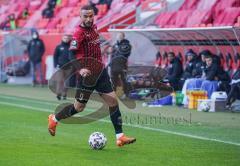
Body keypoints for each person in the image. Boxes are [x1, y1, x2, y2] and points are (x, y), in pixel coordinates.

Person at [48, 5, 136, 147]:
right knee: (78, 108)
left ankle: (120, 137)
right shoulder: (78, 33)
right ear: (81, 17)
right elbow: (71, 53)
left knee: (113, 102)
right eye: (86, 16)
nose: (89, 18)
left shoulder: (94, 28)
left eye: (91, 16)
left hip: (100, 73)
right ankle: (55, 119)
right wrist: (81, 69)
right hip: (87, 77)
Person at [110, 32, 132, 99]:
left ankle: (125, 94)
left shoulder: (127, 44)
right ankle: (113, 93)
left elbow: (124, 54)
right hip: (114, 65)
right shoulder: (115, 44)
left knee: (124, 80)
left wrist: (117, 48)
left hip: (122, 65)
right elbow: (112, 54)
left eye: (120, 36)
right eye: (118, 35)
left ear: (123, 37)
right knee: (113, 80)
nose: (118, 37)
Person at [53, 34, 72, 100]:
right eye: (65, 38)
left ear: (69, 39)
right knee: (59, 81)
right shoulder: (58, 47)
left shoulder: (71, 47)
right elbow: (55, 56)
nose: (66, 39)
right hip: (60, 67)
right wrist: (55, 65)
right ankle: (58, 94)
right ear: (62, 38)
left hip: (69, 67)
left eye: (67, 38)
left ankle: (64, 94)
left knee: (67, 82)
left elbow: (74, 56)